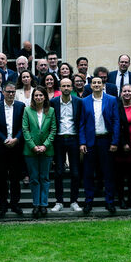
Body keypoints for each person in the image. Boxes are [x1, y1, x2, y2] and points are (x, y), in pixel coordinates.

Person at [79, 75, 120, 215]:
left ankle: (110, 202)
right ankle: (88, 202)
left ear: (103, 85)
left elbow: (116, 122)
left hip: (106, 140)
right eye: (94, 83)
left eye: (99, 83)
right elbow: (81, 123)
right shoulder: (84, 101)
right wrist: (82, 142)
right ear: (90, 86)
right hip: (90, 141)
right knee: (88, 173)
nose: (96, 85)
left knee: (108, 172)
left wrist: (115, 141)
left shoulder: (111, 100)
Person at [0, 84, 26, 218]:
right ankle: (3, 205)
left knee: (15, 178)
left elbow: (23, 126)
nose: (11, 94)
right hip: (1, 147)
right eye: (8, 92)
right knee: (2, 178)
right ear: (3, 92)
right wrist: (4, 139)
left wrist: (16, 139)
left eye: (13, 92)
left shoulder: (21, 106)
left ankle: (15, 204)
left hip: (16, 147)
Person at [22, 86, 54, 217]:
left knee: (44, 178)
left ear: (45, 97)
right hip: (31, 150)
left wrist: (45, 145)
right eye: (36, 95)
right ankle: (36, 204)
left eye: (41, 95)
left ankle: (44, 204)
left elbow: (53, 130)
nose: (38, 97)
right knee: (34, 178)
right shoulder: (27, 110)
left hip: (47, 150)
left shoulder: (51, 110)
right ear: (33, 97)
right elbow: (25, 129)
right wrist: (33, 146)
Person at [51, 77, 82, 211]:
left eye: (68, 86)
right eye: (63, 86)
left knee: (75, 172)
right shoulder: (53, 102)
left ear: (72, 88)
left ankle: (74, 201)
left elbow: (81, 122)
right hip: (58, 139)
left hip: (74, 139)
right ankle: (59, 201)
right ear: (60, 88)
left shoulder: (78, 102)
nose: (66, 88)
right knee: (59, 172)